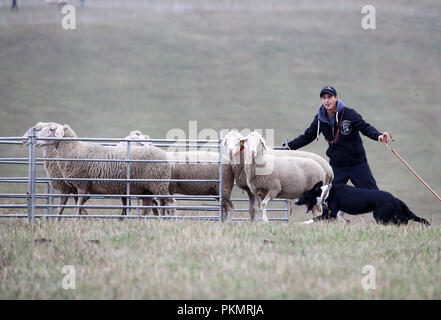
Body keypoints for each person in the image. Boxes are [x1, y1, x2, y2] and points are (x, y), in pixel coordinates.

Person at [284, 86, 390, 217]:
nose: (327, 100)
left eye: (329, 97)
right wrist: (288, 146)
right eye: (324, 98)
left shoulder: (349, 114)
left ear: (336, 98)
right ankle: (329, 223)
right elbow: (307, 136)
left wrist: (379, 136)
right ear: (321, 100)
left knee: (374, 195)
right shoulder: (319, 119)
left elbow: (365, 127)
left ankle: (385, 222)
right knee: (330, 197)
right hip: (337, 166)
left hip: (358, 164)